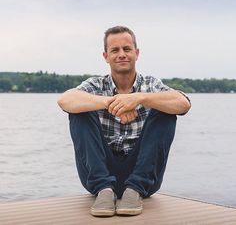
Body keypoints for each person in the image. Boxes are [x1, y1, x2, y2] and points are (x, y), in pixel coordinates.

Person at [57, 25, 191, 217]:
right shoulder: (96, 85)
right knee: (78, 110)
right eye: (115, 50)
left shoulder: (150, 84)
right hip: (99, 174)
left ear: (136, 53)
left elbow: (183, 103)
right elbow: (64, 100)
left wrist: (139, 98)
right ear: (106, 56)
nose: (122, 54)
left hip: (143, 177)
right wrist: (111, 103)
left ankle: (134, 189)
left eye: (127, 49)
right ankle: (104, 190)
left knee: (166, 110)